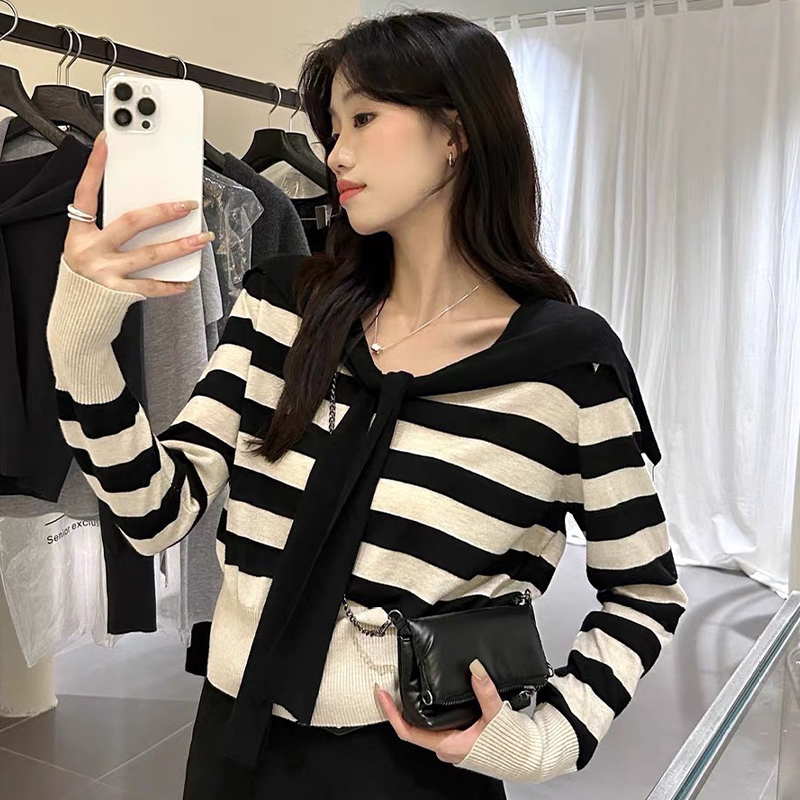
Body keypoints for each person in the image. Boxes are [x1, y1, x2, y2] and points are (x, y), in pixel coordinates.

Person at [45, 10, 688, 800]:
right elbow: (154, 510)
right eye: (332, 126)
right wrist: (80, 342)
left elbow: (645, 590)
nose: (334, 153)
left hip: (417, 769)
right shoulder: (283, 309)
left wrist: (548, 737)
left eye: (364, 118)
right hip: (232, 746)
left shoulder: (565, 365)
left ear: (455, 132)